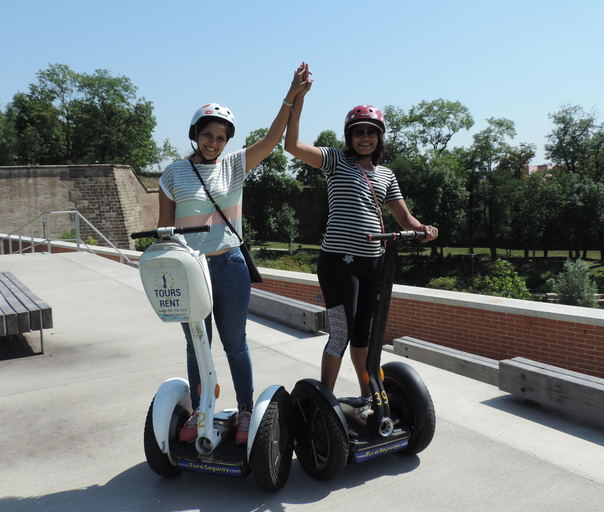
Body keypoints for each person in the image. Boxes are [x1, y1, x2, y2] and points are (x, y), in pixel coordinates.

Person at [158, 63, 312, 445]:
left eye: (221, 137)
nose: (214, 142)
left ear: (227, 141)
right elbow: (165, 234)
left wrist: (293, 96)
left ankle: (245, 411)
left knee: (235, 343)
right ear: (196, 135)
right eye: (208, 135)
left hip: (229, 264)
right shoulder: (173, 174)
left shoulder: (234, 166)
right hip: (190, 269)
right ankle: (200, 409)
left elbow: (274, 139)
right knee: (197, 344)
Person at [284, 84, 438, 420]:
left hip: (374, 264)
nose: (365, 138)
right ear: (350, 137)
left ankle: (368, 393)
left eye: (372, 132)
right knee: (341, 331)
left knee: (366, 334)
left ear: (380, 139)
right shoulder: (337, 161)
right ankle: (324, 400)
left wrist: (422, 229)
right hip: (339, 262)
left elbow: (403, 216)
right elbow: (291, 146)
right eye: (359, 132)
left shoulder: (386, 174)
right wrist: (299, 99)